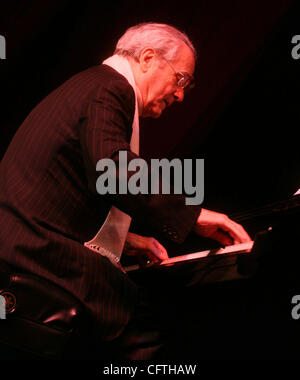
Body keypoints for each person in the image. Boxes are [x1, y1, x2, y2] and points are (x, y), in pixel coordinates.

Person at [0, 22, 251, 359]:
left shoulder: (91, 84)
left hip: (23, 240)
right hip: (34, 251)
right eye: (182, 80)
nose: (180, 95)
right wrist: (193, 215)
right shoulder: (110, 88)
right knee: (145, 322)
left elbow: (66, 187)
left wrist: (126, 240)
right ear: (148, 58)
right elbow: (114, 171)